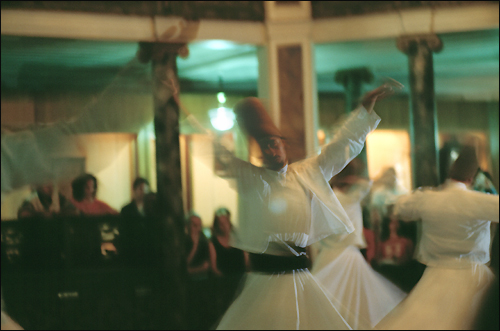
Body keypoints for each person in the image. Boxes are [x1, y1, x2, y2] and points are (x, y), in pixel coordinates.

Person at [213, 81, 400, 329]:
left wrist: (363, 110)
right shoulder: (253, 178)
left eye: (274, 141)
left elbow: (341, 146)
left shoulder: (307, 172)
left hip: (299, 277)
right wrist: (178, 103)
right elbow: (217, 157)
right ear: (259, 153)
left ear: (284, 144)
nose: (271, 148)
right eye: (265, 145)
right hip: (265, 279)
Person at [376, 146, 499, 330]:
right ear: (471, 178)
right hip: (472, 274)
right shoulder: (479, 201)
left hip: (435, 275)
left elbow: (398, 207)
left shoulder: (427, 198)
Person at [311, 159, 406, 329]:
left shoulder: (324, 198)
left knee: (327, 302)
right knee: (354, 304)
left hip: (326, 255)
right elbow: (366, 184)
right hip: (347, 256)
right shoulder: (352, 196)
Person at [208, 208, 249, 320]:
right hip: (224, 282)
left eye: (225, 222)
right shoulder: (213, 242)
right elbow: (214, 267)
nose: (224, 226)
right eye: (221, 223)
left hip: (240, 279)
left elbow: (247, 262)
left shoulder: (238, 240)